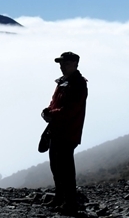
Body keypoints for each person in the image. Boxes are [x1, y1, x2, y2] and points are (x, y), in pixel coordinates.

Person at [41, 51, 88, 214]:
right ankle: (60, 198)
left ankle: (70, 203)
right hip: (57, 130)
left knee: (65, 169)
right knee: (56, 166)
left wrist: (51, 114)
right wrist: (48, 110)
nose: (62, 66)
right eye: (61, 63)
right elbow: (55, 102)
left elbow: (71, 109)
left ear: (75, 64)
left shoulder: (79, 83)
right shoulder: (63, 82)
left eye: (66, 63)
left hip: (68, 132)